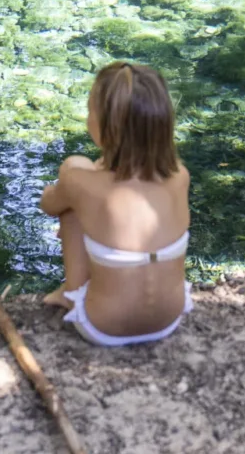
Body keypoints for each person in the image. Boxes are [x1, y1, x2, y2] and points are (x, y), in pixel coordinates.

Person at [39, 61, 192, 346]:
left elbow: (49, 205)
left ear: (105, 127)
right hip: (169, 320)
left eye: (89, 110)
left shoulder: (80, 182)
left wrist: (64, 182)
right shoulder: (180, 176)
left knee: (73, 177)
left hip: (103, 327)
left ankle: (69, 292)